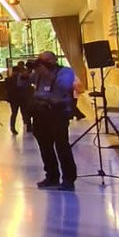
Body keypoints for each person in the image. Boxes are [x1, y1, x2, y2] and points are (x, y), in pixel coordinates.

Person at [29, 52, 78, 191]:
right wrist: (28, 71)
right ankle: (51, 176)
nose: (43, 63)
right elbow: (24, 82)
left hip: (58, 113)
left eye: (46, 60)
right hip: (40, 113)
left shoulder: (65, 72)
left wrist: (47, 73)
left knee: (62, 146)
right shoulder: (38, 73)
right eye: (41, 60)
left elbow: (64, 86)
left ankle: (68, 179)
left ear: (55, 59)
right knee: (45, 147)